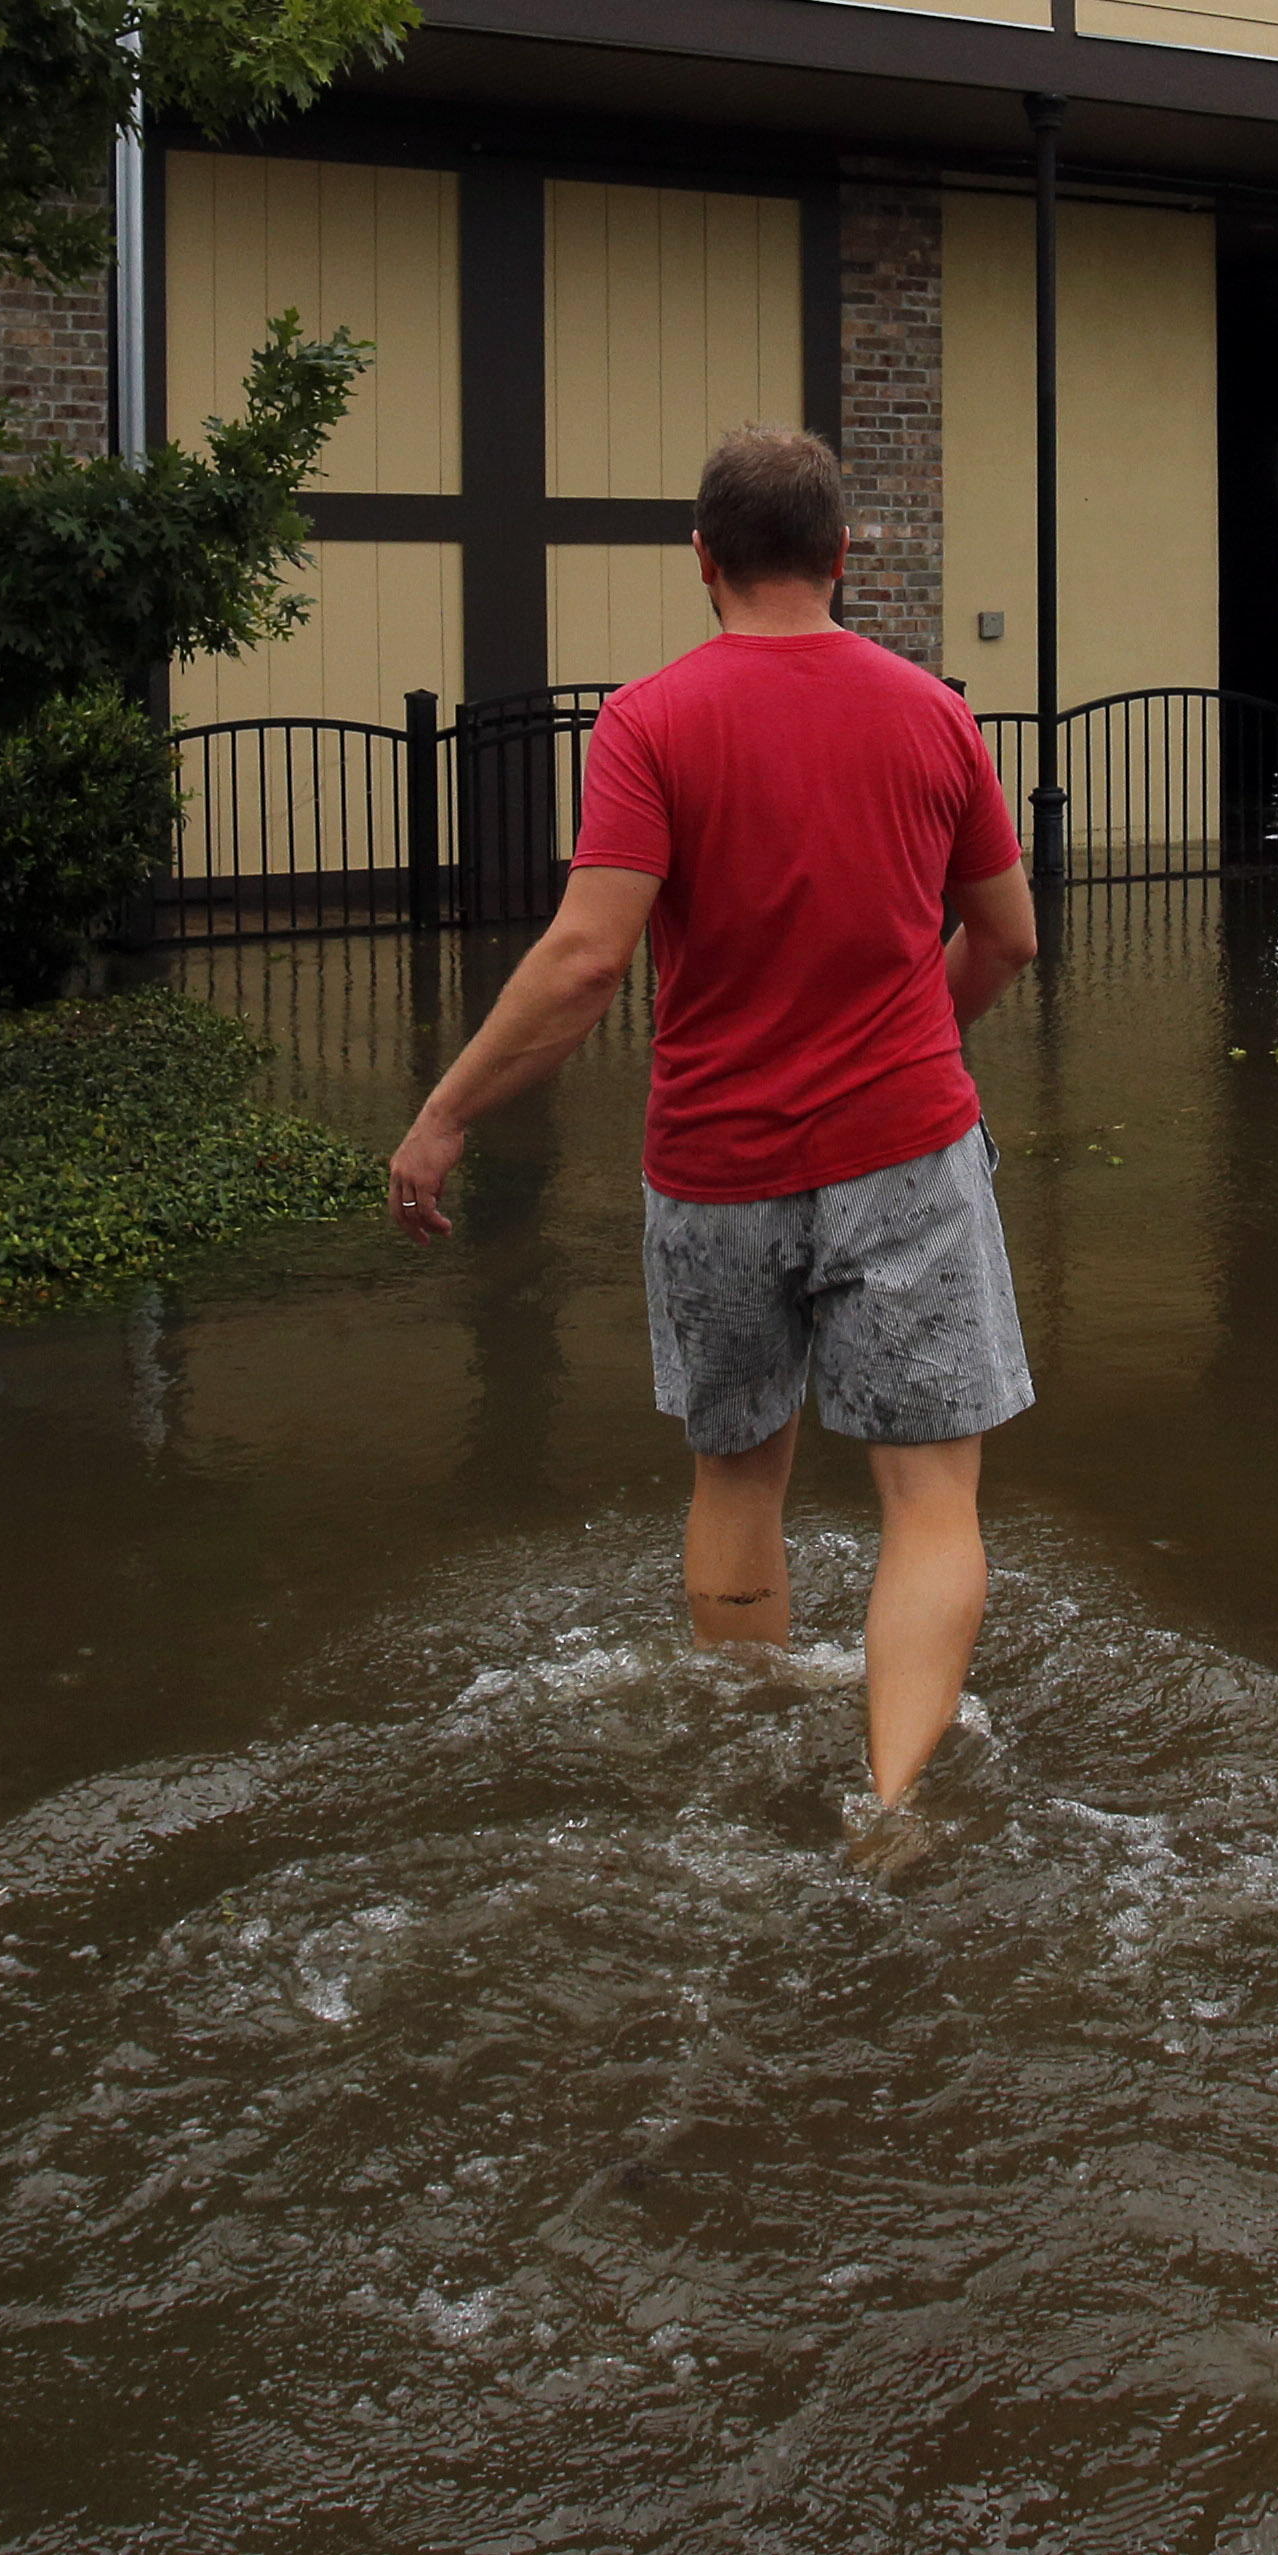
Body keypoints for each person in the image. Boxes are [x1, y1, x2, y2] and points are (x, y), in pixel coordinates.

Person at [385, 425, 1042, 1866]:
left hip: (716, 1162)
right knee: (930, 1500)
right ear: (840, 556)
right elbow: (1008, 937)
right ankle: (892, 1805)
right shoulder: (934, 714)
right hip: (906, 1151)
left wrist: (442, 1117)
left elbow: (580, 967)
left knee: (738, 1471)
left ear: (702, 558)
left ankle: (737, 1759)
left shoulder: (652, 723)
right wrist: (913, 1044)